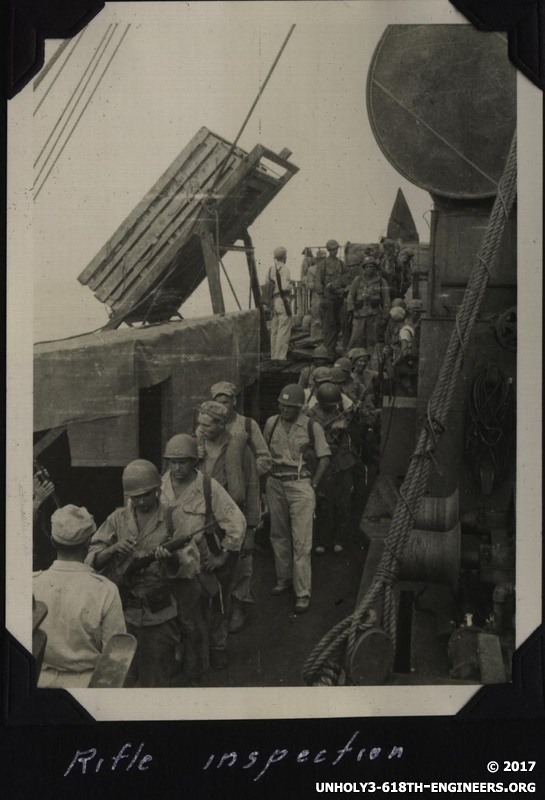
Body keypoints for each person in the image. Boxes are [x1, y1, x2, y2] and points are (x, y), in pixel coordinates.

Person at [86, 460, 197, 688]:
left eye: (147, 494)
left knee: (155, 680)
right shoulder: (118, 518)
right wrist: (113, 549)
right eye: (136, 497)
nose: (142, 501)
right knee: (120, 678)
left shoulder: (172, 516)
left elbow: (191, 563)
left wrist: (171, 558)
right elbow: (92, 557)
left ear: (158, 489)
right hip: (122, 613)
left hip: (160, 614)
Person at [161, 434, 246, 672]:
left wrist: (223, 556)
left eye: (183, 462)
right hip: (174, 560)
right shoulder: (159, 487)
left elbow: (236, 522)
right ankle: (182, 653)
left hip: (204, 557)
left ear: (194, 462)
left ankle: (217, 647)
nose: (177, 468)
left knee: (218, 603)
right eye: (173, 462)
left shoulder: (208, 486)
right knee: (178, 610)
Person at [33, 504, 126, 688]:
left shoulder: (32, 584)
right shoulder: (105, 590)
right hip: (88, 684)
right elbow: (115, 657)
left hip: (39, 681)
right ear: (87, 544)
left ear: (52, 540)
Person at [195, 400, 261, 644]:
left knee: (241, 567)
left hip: (234, 520)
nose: (201, 428)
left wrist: (251, 528)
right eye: (198, 423)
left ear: (222, 425)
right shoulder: (195, 449)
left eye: (207, 424)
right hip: (204, 522)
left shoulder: (239, 451)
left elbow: (252, 488)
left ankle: (238, 606)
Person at [263, 384, 331, 614]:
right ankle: (284, 579)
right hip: (275, 482)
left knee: (301, 540)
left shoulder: (313, 427)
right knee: (278, 534)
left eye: (290, 406)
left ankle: (302, 592)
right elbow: (264, 454)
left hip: (299, 483)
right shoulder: (271, 423)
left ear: (300, 408)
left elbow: (324, 458)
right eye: (282, 405)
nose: (284, 410)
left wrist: (313, 484)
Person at [308, 383, 357, 554]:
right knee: (324, 503)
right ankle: (322, 540)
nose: (333, 407)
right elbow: (311, 438)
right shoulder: (311, 414)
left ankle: (339, 539)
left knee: (343, 501)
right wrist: (331, 428)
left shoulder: (339, 410)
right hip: (323, 462)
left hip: (342, 461)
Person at [210, 381, 272, 479]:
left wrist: (246, 474)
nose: (221, 407)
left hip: (241, 484)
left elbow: (265, 460)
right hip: (215, 483)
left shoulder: (248, 425)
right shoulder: (206, 426)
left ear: (234, 401)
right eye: (218, 403)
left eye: (225, 402)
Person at [347, 255, 390, 351]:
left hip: (374, 314)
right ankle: (351, 360)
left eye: (371, 267)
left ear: (375, 268)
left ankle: (372, 361)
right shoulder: (357, 280)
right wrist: (353, 311)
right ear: (363, 268)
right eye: (367, 267)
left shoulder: (381, 281)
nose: (369, 269)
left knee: (373, 340)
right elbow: (350, 296)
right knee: (355, 339)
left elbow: (386, 300)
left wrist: (384, 316)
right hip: (359, 314)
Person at [314, 239, 346, 358]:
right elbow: (318, 281)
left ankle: (332, 348)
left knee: (338, 324)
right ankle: (328, 350)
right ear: (328, 250)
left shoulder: (341, 264)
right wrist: (322, 296)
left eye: (336, 249)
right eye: (332, 249)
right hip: (328, 299)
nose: (335, 251)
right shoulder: (323, 264)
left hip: (339, 299)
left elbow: (345, 279)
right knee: (329, 325)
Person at [267, 246, 293, 363]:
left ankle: (273, 356)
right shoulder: (285, 269)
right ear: (284, 257)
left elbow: (267, 287)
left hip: (273, 301)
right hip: (283, 300)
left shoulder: (270, 270)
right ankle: (280, 357)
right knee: (284, 329)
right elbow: (285, 287)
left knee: (274, 330)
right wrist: (291, 285)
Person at [305, 249, 326, 342]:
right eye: (321, 258)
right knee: (316, 320)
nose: (322, 260)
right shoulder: (312, 270)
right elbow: (308, 285)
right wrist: (317, 285)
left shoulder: (328, 268)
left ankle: (325, 342)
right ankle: (314, 340)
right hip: (317, 297)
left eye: (324, 258)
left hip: (327, 297)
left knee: (327, 320)